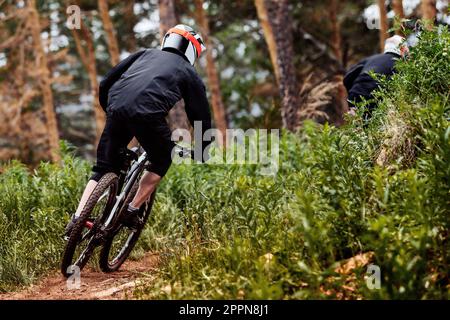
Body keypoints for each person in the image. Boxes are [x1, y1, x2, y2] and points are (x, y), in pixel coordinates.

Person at [65, 24, 212, 235]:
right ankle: (131, 210)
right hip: (148, 117)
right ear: (192, 50)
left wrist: (111, 110)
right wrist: (203, 149)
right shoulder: (189, 72)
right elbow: (201, 117)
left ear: (167, 40)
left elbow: (106, 82)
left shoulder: (144, 54)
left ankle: (77, 219)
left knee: (103, 168)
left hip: (116, 108)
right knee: (162, 159)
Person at [344, 35, 409, 118]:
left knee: (358, 125)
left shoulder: (371, 59)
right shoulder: (401, 65)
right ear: (402, 49)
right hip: (375, 100)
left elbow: (347, 78)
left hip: (355, 94)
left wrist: (353, 92)